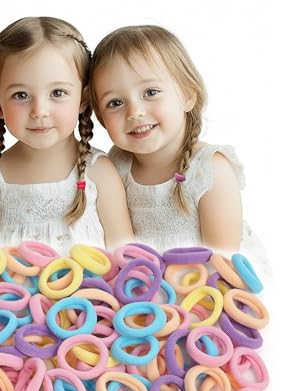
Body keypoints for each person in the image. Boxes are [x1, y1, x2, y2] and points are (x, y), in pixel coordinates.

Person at [90, 25, 265, 262]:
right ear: (101, 118)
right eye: (115, 103)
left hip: (211, 279)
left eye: (150, 92)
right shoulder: (116, 166)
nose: (134, 112)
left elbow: (222, 263)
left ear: (187, 95)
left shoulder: (209, 170)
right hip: (144, 279)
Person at [0, 16, 133, 255]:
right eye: (21, 95)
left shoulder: (99, 173)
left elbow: (127, 258)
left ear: (83, 99)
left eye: (57, 92)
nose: (39, 111)